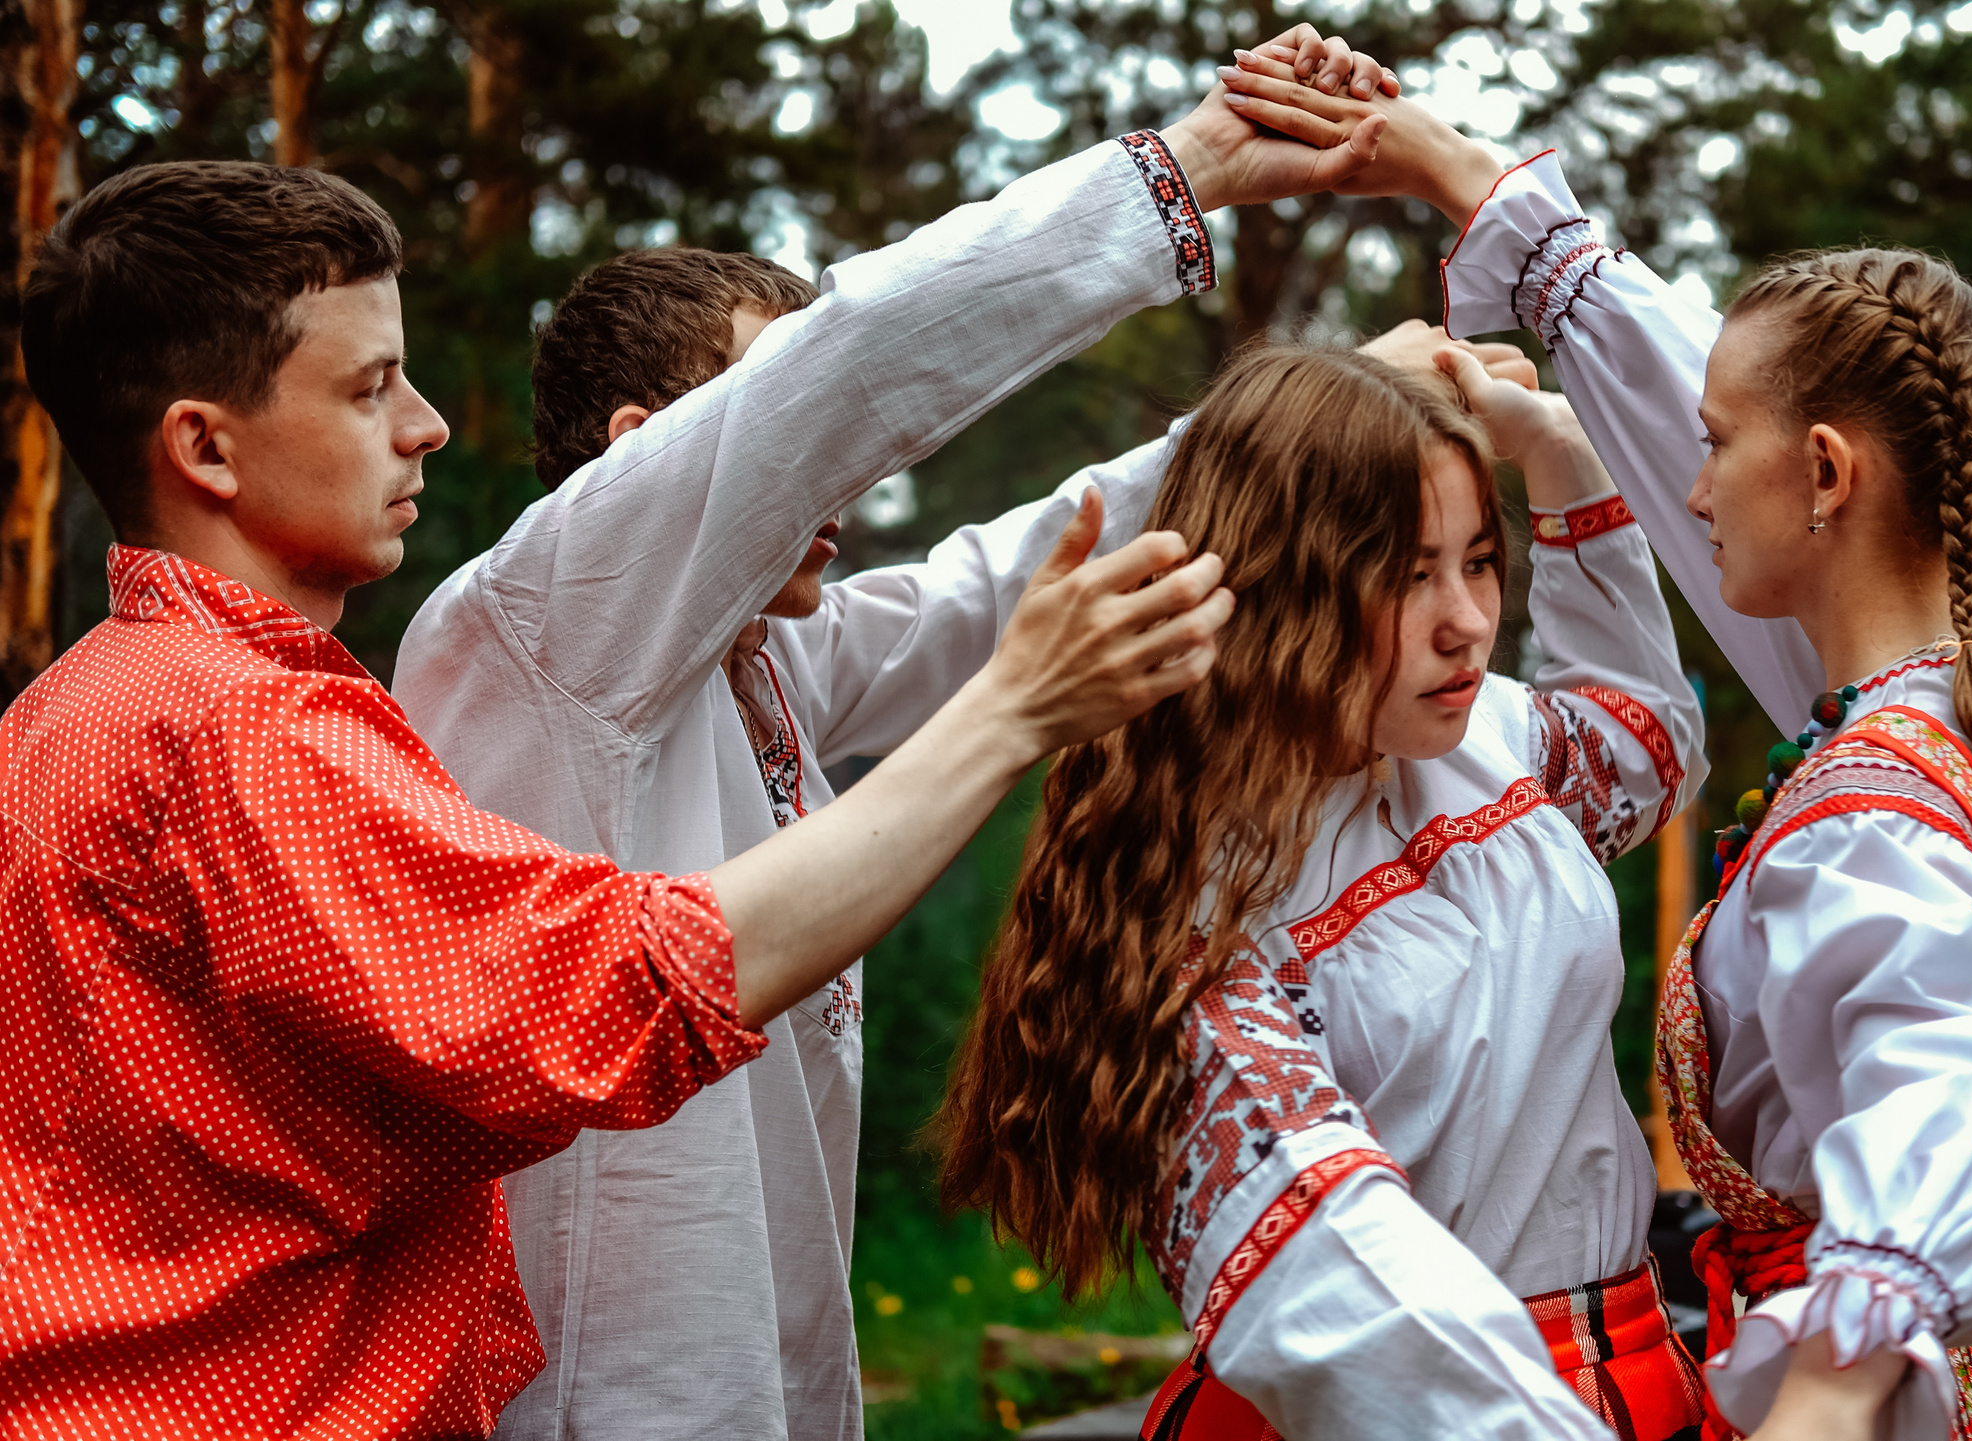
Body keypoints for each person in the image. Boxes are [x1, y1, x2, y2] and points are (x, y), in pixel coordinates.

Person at [0, 160, 1237, 1438]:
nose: (426, 424)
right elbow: (607, 989)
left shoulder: (82, 712)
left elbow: (982, 582)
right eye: (372, 386)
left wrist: (1264, 429)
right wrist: (1190, 166)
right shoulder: (304, 707)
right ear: (204, 443)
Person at [1216, 56, 1972, 1441]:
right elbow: (1765, 412)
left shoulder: (1874, 811)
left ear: (1823, 473)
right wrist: (1470, 189)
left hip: (1891, 1394)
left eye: (1711, 444)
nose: (1683, 491)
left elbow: (1952, 1066)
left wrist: (1838, 1368)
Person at [397, 246, 1531, 1441]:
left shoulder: (770, 657)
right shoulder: (543, 623)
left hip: (768, 1372)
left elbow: (999, 576)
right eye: (797, 427)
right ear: (640, 456)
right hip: (602, 1400)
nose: (845, 475)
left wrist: (1302, 421)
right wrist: (1188, 170)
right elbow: (877, 354)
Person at [937, 344, 1709, 1441]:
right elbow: (1330, 1272)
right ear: (1277, 584)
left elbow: (1648, 747)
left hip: (1630, 1364)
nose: (1466, 621)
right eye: (1404, 573)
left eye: (1479, 561)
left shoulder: (1480, 728)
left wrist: (1560, 452)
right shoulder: (1194, 905)